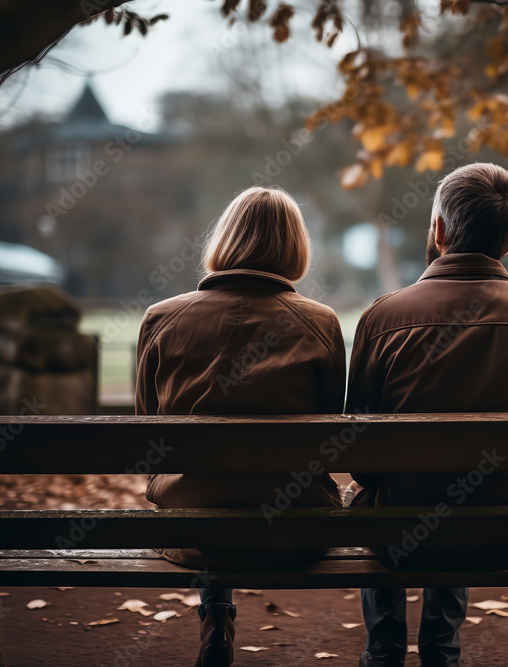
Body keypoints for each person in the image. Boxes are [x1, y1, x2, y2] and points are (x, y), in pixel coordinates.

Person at [346, 163, 508, 666]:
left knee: (378, 497)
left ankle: (383, 648)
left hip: (402, 536)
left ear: (438, 230)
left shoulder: (383, 318)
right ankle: (442, 648)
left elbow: (361, 461)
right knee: (469, 490)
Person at [135, 186, 346, 667]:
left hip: (192, 533)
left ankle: (215, 610)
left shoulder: (161, 318)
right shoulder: (321, 323)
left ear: (225, 239)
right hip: (295, 531)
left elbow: (147, 435)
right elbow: (334, 442)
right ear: (295, 246)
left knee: (205, 487)